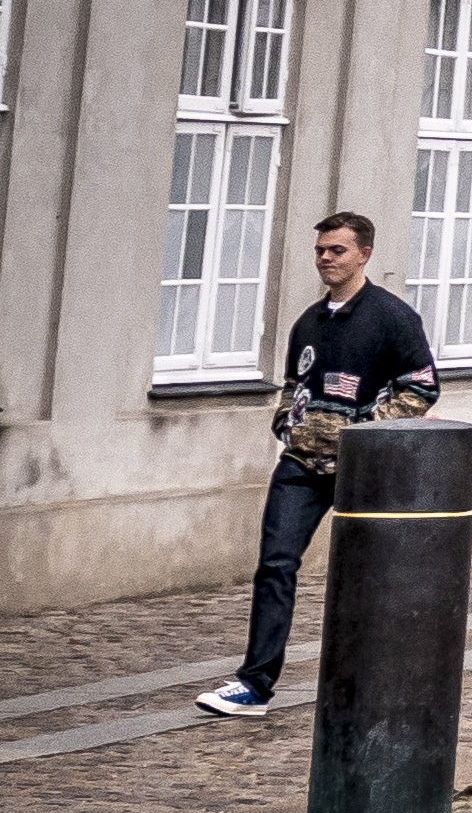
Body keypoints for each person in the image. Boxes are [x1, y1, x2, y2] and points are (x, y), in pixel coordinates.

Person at [191, 211, 436, 719]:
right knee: (276, 566)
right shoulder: (309, 321)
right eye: (321, 251)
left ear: (364, 254)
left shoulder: (393, 318)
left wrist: (364, 434)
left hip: (365, 470)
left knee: (370, 576)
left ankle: (375, 682)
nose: (326, 259)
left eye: (337, 251)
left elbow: (422, 387)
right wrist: (288, 423)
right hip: (301, 467)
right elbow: (292, 386)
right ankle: (254, 686)